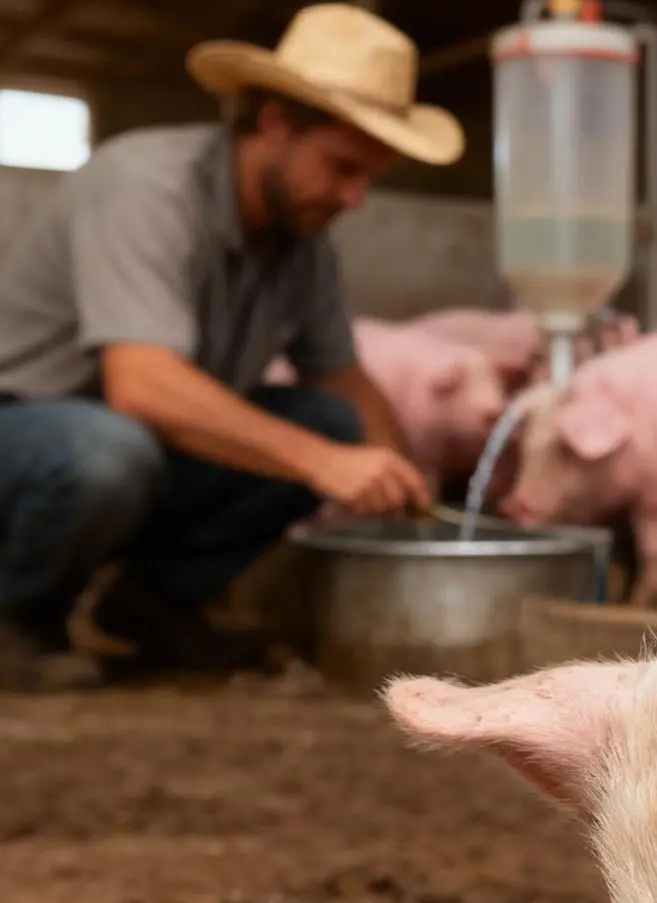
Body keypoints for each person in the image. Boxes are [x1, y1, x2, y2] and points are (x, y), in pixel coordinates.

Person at [0, 4, 464, 690]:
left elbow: (341, 379)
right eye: (341, 168)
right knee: (109, 453)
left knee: (330, 423)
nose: (355, 198)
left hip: (138, 455)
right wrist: (324, 464)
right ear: (274, 124)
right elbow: (142, 385)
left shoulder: (301, 243)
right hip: (30, 435)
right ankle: (18, 620)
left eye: (368, 176)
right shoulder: (146, 188)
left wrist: (407, 488)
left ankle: (150, 607)